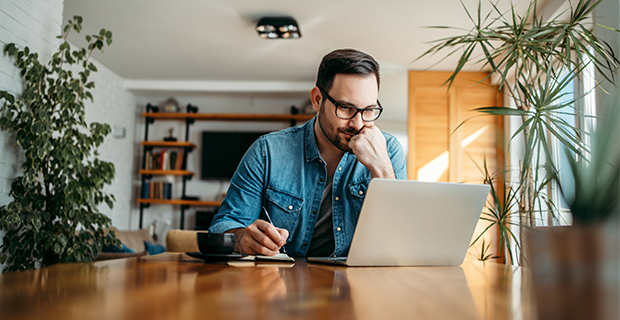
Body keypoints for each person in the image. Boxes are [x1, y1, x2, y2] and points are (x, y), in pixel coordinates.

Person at [208, 48, 407, 257]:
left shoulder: (388, 150)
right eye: (346, 108)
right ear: (317, 100)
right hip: (281, 282)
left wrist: (382, 168)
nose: (358, 123)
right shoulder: (267, 151)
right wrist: (241, 239)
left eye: (368, 110)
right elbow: (222, 226)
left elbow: (401, 240)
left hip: (358, 285)